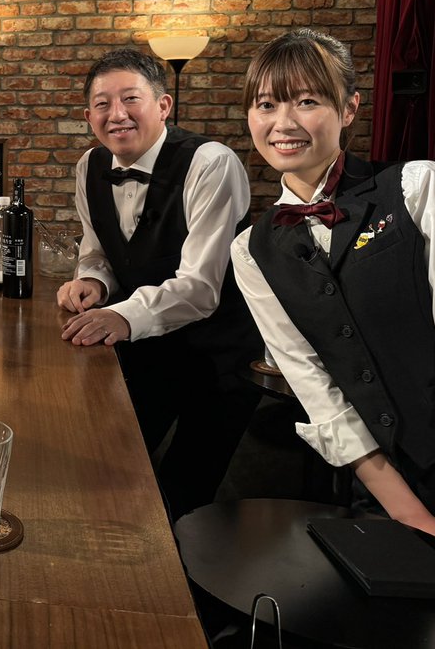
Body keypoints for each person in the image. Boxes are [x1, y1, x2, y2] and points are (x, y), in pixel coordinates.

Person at [231, 28, 435, 572]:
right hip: (382, 489)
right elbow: (317, 389)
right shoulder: (252, 250)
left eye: (308, 101)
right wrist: (409, 515)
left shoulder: (419, 189)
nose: (283, 122)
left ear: (349, 108)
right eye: (267, 104)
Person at [56, 46, 261, 517]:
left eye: (131, 98)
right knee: (110, 470)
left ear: (163, 105)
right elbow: (98, 250)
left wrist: (120, 314)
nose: (117, 114)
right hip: (145, 349)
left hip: (218, 358)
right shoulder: (90, 166)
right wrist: (94, 281)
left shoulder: (211, 163)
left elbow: (201, 286)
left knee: (186, 495)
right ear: (88, 116)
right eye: (102, 104)